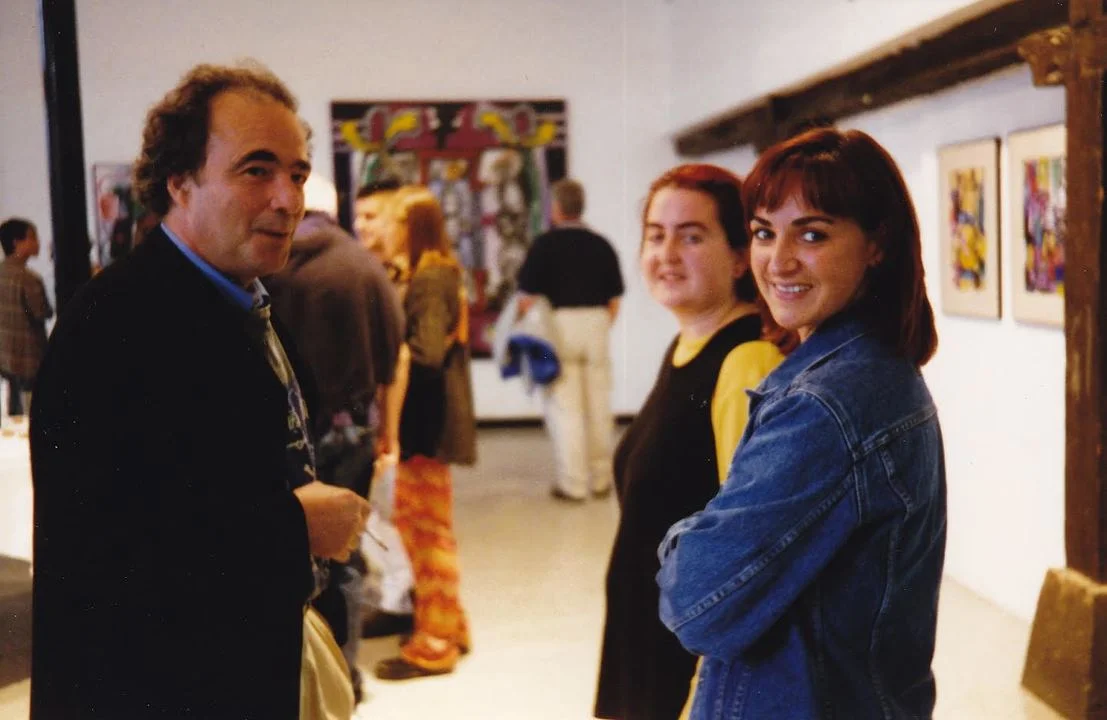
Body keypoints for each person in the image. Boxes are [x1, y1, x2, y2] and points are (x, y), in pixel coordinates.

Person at [29, 63, 370, 719]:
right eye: (256, 170)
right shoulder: (117, 323)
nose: (288, 199)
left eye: (297, 174)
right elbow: (108, 549)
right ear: (179, 183)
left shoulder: (242, 302)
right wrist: (295, 528)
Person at [657, 128, 946, 719]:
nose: (779, 260)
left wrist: (681, 541)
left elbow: (695, 602)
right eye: (764, 232)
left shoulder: (825, 405)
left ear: (877, 244)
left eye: (812, 234)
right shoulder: (876, 373)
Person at [594, 165, 787, 720]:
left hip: (689, 666)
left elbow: (750, 546)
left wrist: (709, 689)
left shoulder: (746, 360)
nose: (667, 254)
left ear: (739, 256)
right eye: (655, 235)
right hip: (648, 640)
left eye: (692, 236)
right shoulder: (688, 345)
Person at [266, 174, 405, 702]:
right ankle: (343, 676)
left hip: (284, 435)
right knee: (345, 554)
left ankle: (298, 677)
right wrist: (387, 430)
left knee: (285, 549)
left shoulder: (266, 265)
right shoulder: (363, 265)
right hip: (351, 431)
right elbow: (392, 354)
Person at [373, 187, 477, 681]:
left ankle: (436, 641)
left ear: (411, 227)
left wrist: (392, 356)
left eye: (391, 221)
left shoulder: (432, 277)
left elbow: (427, 352)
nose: (382, 230)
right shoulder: (429, 273)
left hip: (426, 423)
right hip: (426, 421)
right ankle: (449, 624)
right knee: (418, 526)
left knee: (427, 533)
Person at [516, 178, 624, 502]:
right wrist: (599, 326)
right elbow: (614, 300)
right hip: (597, 323)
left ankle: (574, 484)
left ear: (557, 209)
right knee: (599, 405)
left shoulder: (543, 245)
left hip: (558, 327)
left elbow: (526, 299)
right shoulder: (601, 245)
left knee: (566, 409)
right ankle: (602, 479)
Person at [0, 218, 52, 420]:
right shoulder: (29, 278)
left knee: (14, 411)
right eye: (32, 237)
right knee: (34, 414)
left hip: (6, 357)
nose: (37, 242)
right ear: (16, 242)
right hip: (29, 358)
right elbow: (42, 313)